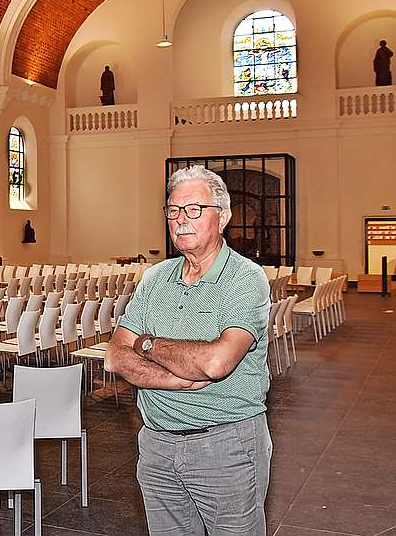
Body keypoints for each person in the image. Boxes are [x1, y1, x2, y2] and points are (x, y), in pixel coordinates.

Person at [105, 165, 271, 535]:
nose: (181, 219)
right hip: (156, 444)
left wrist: (145, 343)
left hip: (226, 446)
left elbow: (216, 362)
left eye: (194, 209)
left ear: (223, 217)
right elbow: (115, 354)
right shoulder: (155, 277)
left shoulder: (244, 278)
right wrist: (177, 379)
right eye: (173, 210)